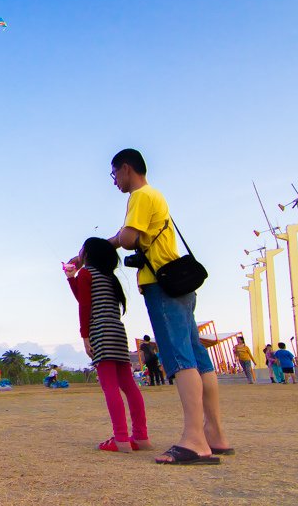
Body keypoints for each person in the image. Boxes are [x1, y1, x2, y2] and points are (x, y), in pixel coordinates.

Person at [102, 148, 230, 465]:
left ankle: (194, 440)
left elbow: (130, 238)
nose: (115, 180)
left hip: (162, 285)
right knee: (200, 360)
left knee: (179, 359)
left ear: (126, 168)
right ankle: (215, 434)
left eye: (114, 173)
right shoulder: (157, 197)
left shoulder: (141, 196)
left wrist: (111, 241)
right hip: (180, 285)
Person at [65, 237, 151, 454]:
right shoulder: (109, 277)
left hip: (100, 332)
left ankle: (121, 438)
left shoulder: (87, 273)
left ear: (89, 253)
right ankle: (141, 437)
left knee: (109, 386)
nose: (79, 252)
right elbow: (85, 297)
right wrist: (71, 278)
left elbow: (85, 305)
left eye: (82, 249)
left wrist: (85, 336)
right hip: (118, 332)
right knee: (129, 385)